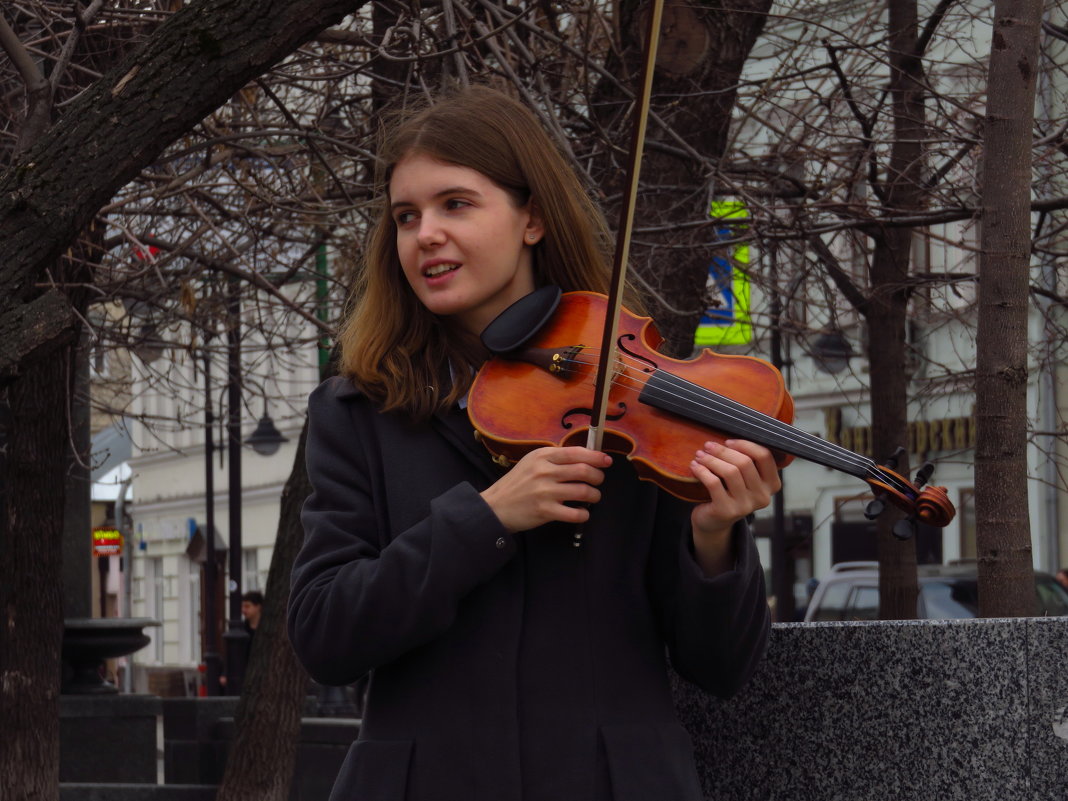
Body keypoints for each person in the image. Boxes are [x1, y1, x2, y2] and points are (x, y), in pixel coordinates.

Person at [287, 84, 778, 801]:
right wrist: (484, 518)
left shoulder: (628, 397)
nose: (425, 234)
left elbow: (721, 665)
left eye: (456, 203)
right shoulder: (360, 411)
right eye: (405, 216)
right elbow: (326, 633)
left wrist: (713, 539)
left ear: (533, 219)